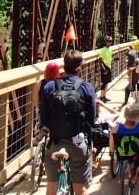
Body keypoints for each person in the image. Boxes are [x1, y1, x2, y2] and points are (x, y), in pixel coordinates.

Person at [40, 50, 96, 195]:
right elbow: (92, 119)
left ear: (63, 66)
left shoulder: (49, 86)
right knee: (81, 189)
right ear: (80, 67)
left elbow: (43, 117)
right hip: (77, 142)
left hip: (55, 142)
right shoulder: (86, 87)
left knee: (51, 188)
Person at [92, 98, 120, 169]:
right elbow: (117, 114)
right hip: (105, 140)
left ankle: (95, 152)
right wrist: (103, 105)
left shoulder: (87, 120)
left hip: (91, 139)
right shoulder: (105, 118)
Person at [99, 35, 114, 102]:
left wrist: (114, 59)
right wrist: (103, 69)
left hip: (109, 67)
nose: (110, 43)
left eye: (111, 41)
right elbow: (100, 60)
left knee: (107, 82)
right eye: (108, 41)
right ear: (105, 42)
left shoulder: (109, 49)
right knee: (104, 83)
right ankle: (101, 97)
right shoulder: (103, 50)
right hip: (105, 68)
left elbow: (109, 58)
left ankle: (104, 96)